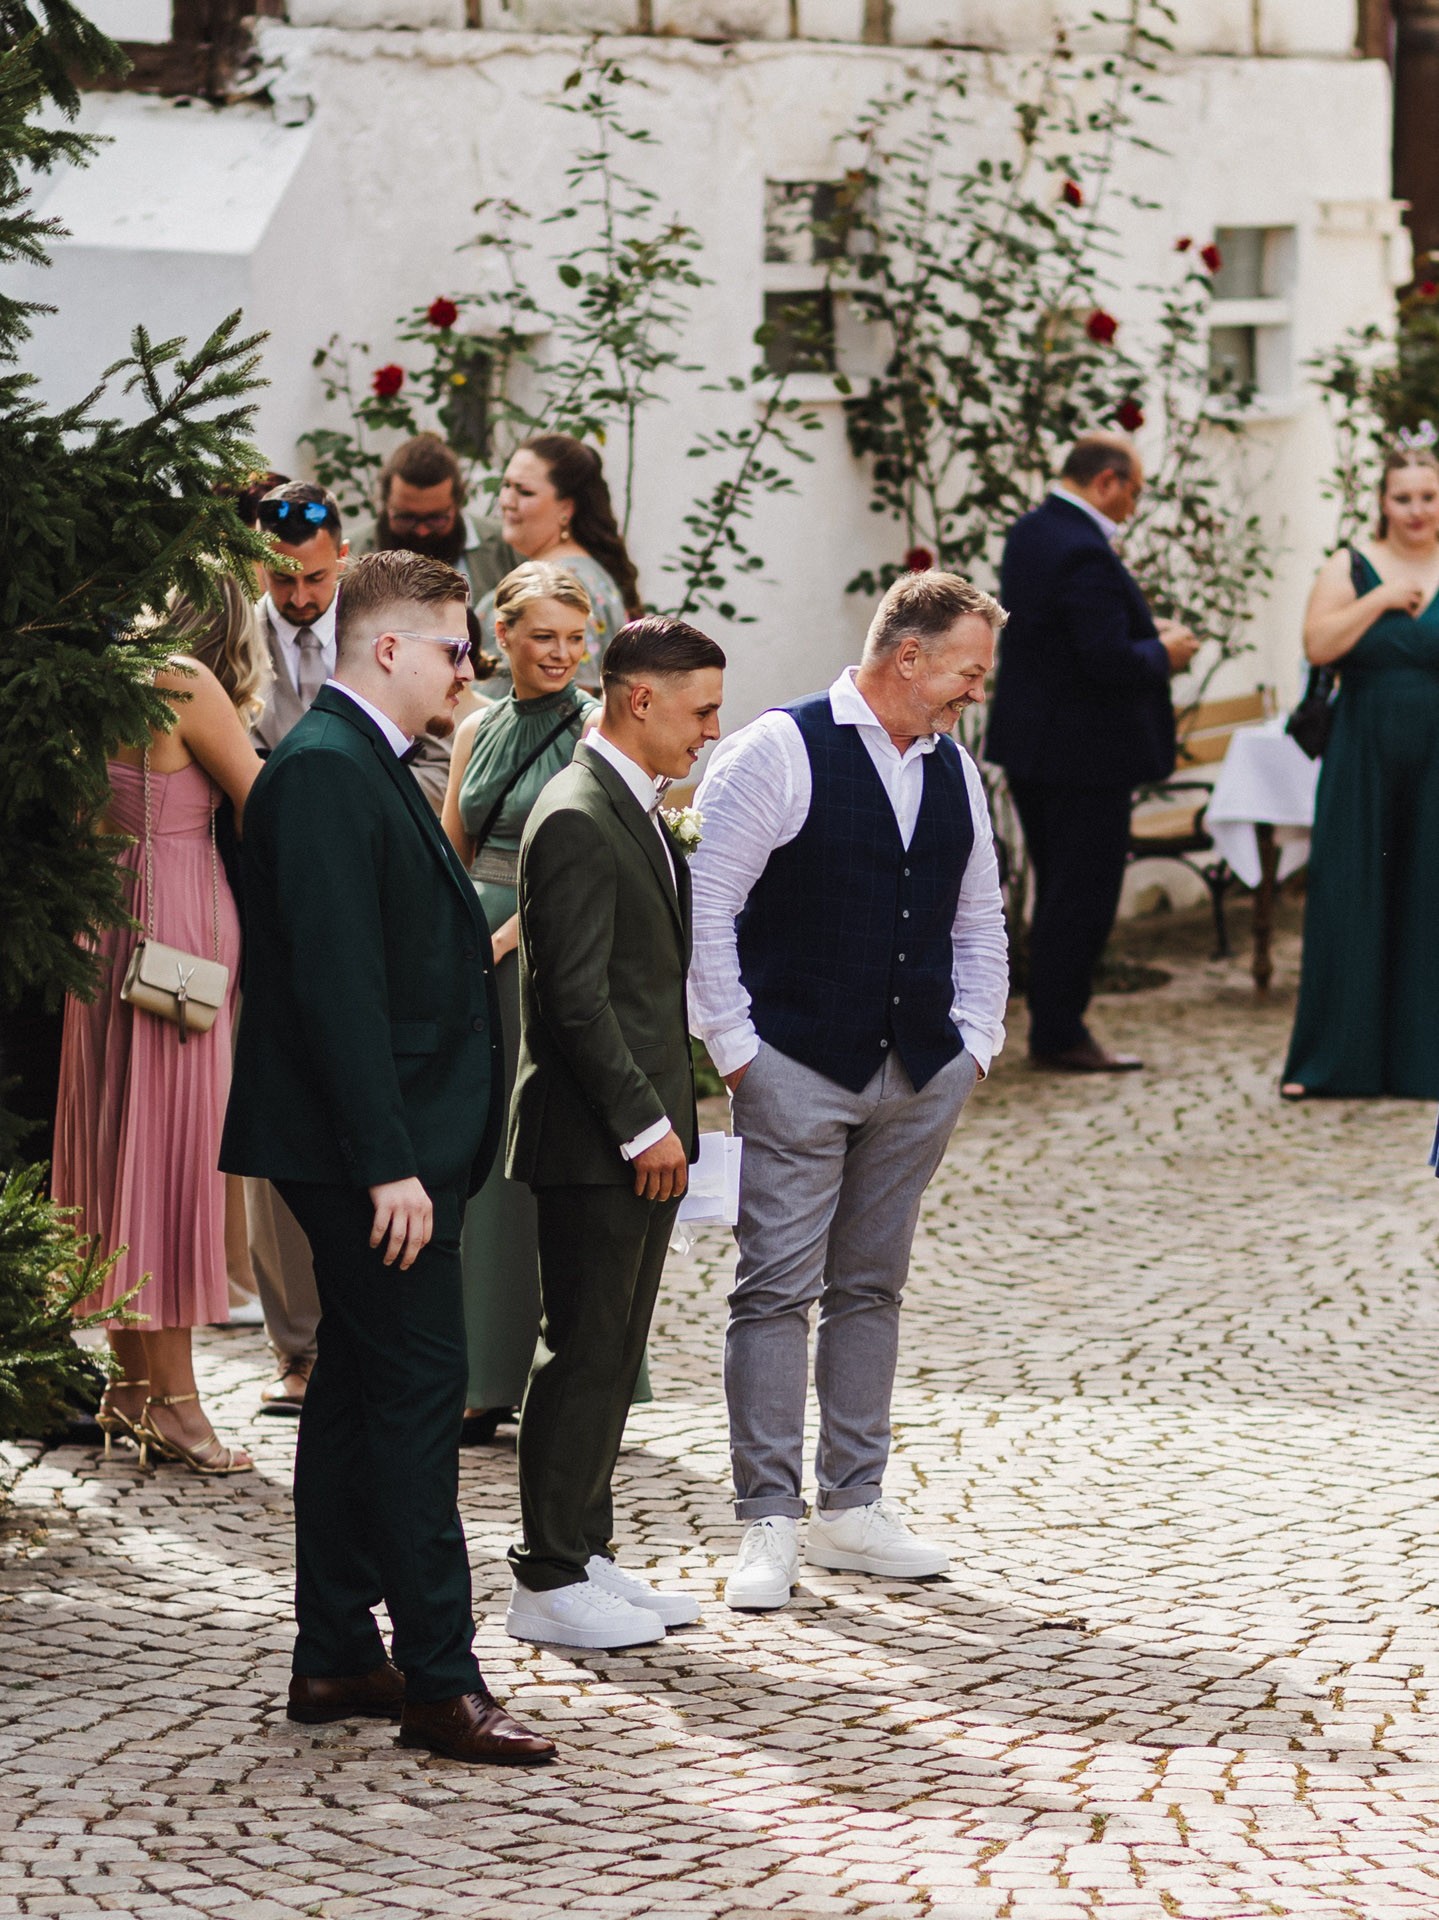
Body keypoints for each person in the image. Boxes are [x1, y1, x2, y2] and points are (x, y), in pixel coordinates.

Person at [220, 550, 553, 1766]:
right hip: (369, 1153)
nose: (470, 667)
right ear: (393, 649)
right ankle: (438, 1681)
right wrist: (386, 1166)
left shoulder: (371, 761)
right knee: (417, 1395)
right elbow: (333, 989)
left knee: (361, 1391)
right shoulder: (318, 773)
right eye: (458, 647)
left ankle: (334, 1654)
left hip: (400, 1140)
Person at [689, 572, 1010, 1611]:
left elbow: (977, 921)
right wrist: (737, 1052)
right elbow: (707, 908)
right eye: (966, 670)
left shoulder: (955, 771)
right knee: (773, 1289)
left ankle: (851, 1508)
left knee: (871, 1288)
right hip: (792, 1064)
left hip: (919, 1070)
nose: (974, 691)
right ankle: (767, 1523)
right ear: (906, 656)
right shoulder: (778, 750)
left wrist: (975, 1045)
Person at [504, 616, 724, 1651]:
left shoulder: (628, 806)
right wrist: (644, 1126)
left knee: (616, 1346)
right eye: (701, 711)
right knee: (581, 1351)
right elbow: (574, 1000)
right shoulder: (577, 816)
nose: (711, 733)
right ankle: (543, 1577)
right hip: (596, 1138)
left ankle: (583, 1550)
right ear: (639, 699)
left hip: (638, 1136)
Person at [54, 616, 263, 1475]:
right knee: (169, 1160)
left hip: (101, 926)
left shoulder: (82, 678)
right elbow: (265, 798)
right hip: (175, 932)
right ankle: (178, 1406)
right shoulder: (181, 678)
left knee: (117, 1150)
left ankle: (132, 1386)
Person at [442, 563, 604, 1442]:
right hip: (467, 951)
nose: (562, 654)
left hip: (543, 956)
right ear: (499, 638)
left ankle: (542, 1372)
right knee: (471, 1160)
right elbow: (449, 850)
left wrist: (505, 942)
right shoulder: (476, 728)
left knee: (531, 1160)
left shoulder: (594, 729)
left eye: (576, 638)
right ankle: (473, 1368)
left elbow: (594, 855)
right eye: (543, 636)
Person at [984, 432, 1199, 1071]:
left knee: (1059, 888)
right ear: (1107, 481)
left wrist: (1139, 631)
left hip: (1035, 746)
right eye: (1134, 489)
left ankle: (1053, 1024)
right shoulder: (1085, 550)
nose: (1133, 504)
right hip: (1084, 757)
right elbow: (1104, 661)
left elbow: (1062, 634)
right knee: (1083, 894)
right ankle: (1060, 1031)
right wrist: (1166, 651)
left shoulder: (1030, 531)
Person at [1281, 442, 1439, 1100]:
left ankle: (1422, 1061)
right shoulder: (1348, 565)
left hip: (1435, 750)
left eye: (1427, 497)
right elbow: (1318, 644)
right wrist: (1379, 602)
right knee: (1353, 891)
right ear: (1381, 501)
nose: (1415, 510)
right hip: (1363, 750)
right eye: (1402, 497)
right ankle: (1332, 1061)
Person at [247, 481, 351, 1413]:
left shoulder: (375, 632)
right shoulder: (230, 643)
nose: (299, 599)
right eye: (282, 582)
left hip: (364, 892)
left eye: (314, 580)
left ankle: (363, 1324)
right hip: (265, 902)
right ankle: (297, 1345)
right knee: (278, 1101)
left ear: (342, 557)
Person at [476, 435, 639, 692]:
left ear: (566, 508)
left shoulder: (567, 583)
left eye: (524, 491)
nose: (507, 501)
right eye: (506, 485)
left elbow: (574, 698)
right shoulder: (569, 572)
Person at [362, 431, 517, 602]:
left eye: (435, 519)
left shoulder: (508, 548)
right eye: (406, 518)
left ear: (458, 505)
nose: (422, 531)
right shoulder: (348, 555)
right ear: (384, 504)